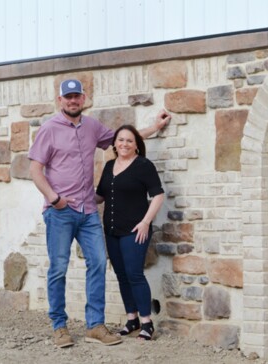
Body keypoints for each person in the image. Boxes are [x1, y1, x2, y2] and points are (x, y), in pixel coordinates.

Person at [28, 78, 171, 348]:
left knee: (98, 265)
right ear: (60, 100)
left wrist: (155, 125)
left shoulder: (92, 127)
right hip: (60, 212)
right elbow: (35, 169)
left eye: (77, 96)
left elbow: (125, 141)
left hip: (89, 213)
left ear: (84, 99)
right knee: (58, 268)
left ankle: (94, 325)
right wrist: (53, 198)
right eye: (67, 97)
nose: (72, 101)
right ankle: (59, 327)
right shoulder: (48, 129)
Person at [95, 124, 165, 341]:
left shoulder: (144, 165)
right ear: (114, 143)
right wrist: (75, 196)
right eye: (120, 140)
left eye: (129, 140)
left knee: (134, 274)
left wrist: (146, 222)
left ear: (136, 145)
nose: (124, 144)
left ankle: (146, 322)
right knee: (122, 276)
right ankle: (131, 319)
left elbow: (158, 196)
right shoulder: (108, 166)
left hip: (135, 230)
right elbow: (100, 197)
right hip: (112, 230)